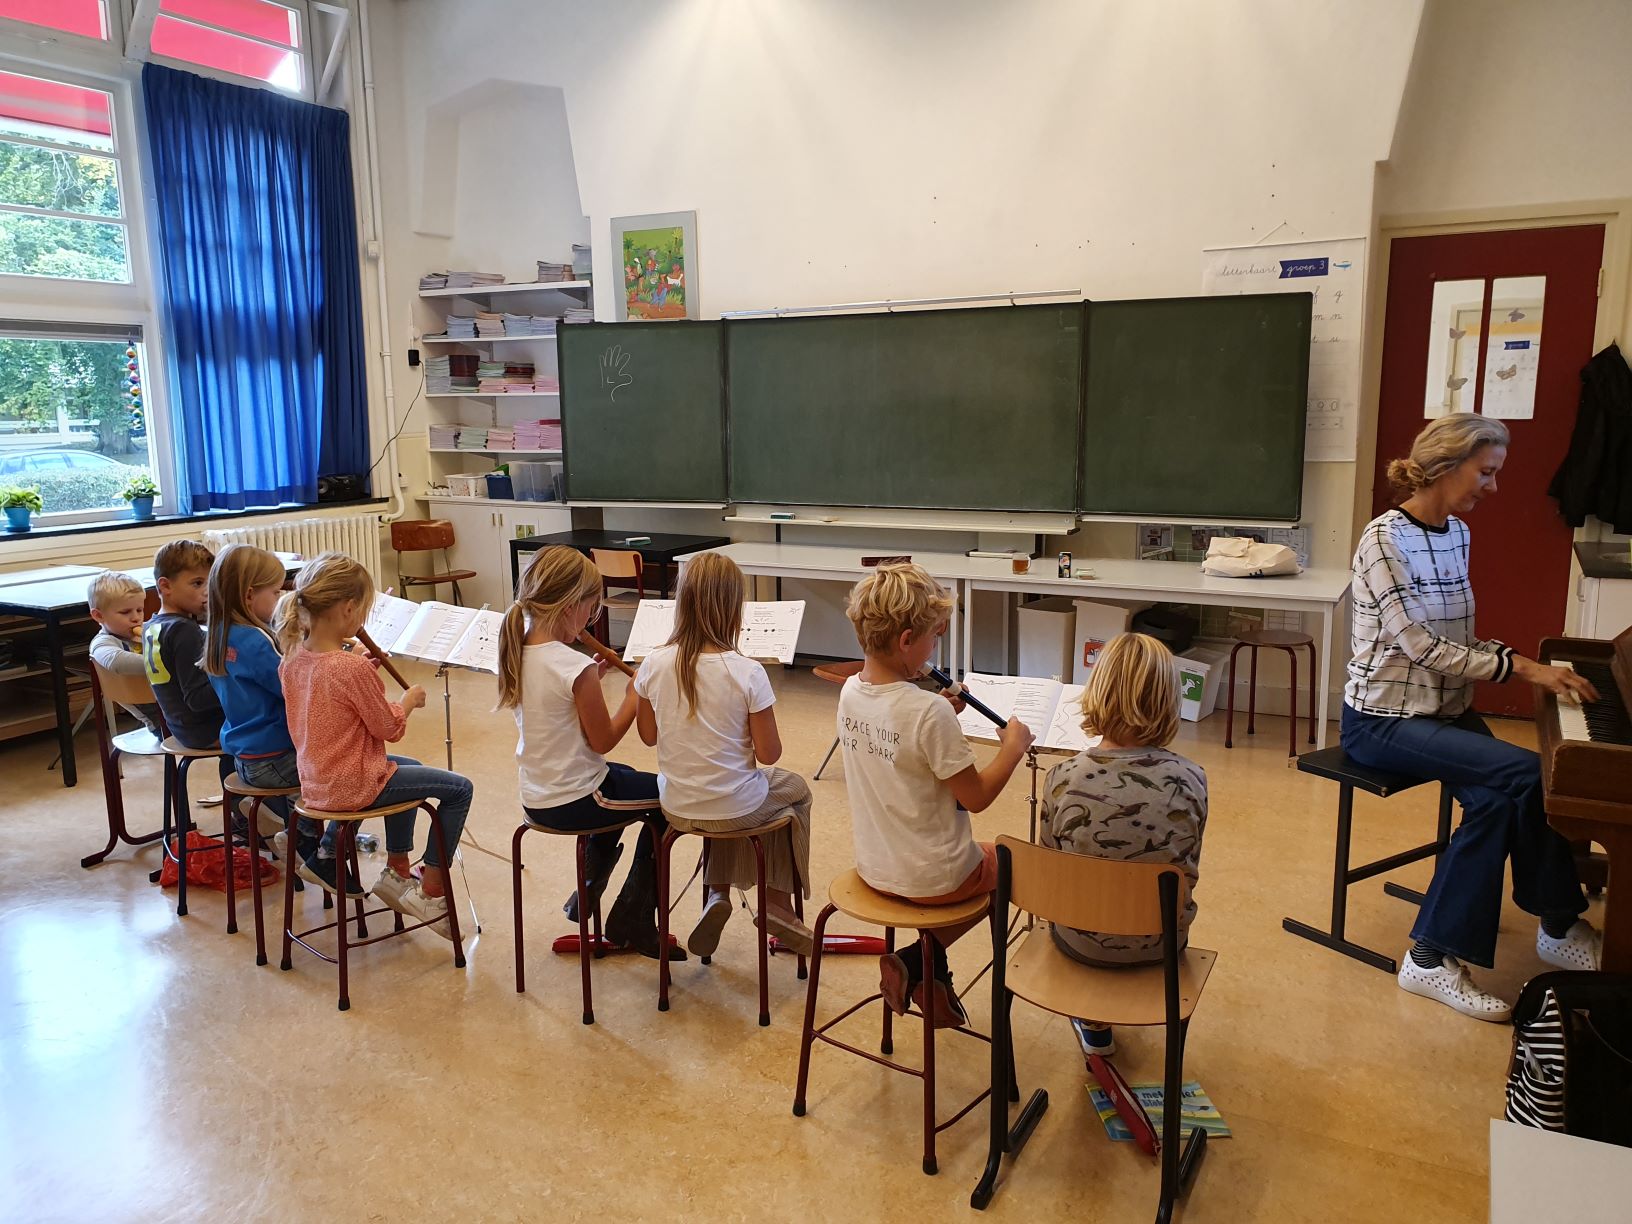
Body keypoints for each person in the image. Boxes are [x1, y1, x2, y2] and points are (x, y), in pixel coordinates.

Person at [1342, 412, 1601, 1021]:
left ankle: (1432, 958)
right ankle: (1555, 921)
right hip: (1384, 720)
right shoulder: (1382, 541)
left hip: (1445, 710)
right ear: (1445, 466)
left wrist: (1521, 661)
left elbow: (1457, 638)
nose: (1493, 486)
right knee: (1527, 775)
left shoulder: (1456, 532)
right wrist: (1525, 669)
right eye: (1485, 472)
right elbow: (1419, 646)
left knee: (1497, 802)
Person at [838, 562, 1034, 1025]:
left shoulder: (850, 692)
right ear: (907, 640)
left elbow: (903, 744)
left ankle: (928, 973)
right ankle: (921, 958)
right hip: (932, 878)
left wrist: (940, 711)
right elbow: (977, 796)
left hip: (874, 867)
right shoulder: (928, 713)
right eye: (933, 639)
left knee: (988, 859)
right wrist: (1012, 748)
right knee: (1013, 861)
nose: (934, 650)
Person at [496, 545, 681, 961]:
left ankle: (588, 891)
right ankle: (633, 917)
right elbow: (603, 741)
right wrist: (634, 695)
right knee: (673, 799)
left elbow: (557, 719)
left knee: (623, 775)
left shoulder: (517, 650)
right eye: (591, 607)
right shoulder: (571, 666)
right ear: (570, 607)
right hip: (576, 800)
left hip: (537, 795)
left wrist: (590, 683)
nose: (591, 618)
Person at [278, 553, 472, 939]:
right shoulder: (348, 668)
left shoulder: (293, 657)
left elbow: (337, 703)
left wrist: (363, 670)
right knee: (460, 789)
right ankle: (431, 891)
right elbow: (388, 727)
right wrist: (408, 702)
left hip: (318, 780)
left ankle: (392, 870)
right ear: (348, 609)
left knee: (411, 767)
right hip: (354, 782)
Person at [634, 552, 815, 957]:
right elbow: (770, 753)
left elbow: (647, 736)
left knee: (729, 790)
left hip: (676, 807)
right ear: (735, 608)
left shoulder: (654, 663)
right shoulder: (747, 671)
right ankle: (778, 904)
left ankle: (717, 894)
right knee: (791, 792)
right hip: (732, 805)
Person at [1039, 632, 1207, 1058]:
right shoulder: (1192, 779)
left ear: (1096, 692)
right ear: (1169, 700)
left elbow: (1049, 871)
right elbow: (1185, 862)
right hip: (1162, 944)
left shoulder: (1062, 778)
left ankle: (1094, 1024)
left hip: (1080, 942)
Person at [201, 544, 349, 893]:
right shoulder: (254, 640)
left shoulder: (218, 633)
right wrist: (339, 659)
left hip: (246, 756)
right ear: (249, 596)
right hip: (275, 757)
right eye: (275, 591)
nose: (282, 597)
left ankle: (295, 827)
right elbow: (295, 687)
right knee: (351, 775)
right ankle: (313, 844)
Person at [142, 539, 228, 793]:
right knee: (271, 727)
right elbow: (198, 699)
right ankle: (244, 801)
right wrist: (231, 675)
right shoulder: (184, 630)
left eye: (209, 583)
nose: (207, 592)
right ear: (165, 586)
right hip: (206, 729)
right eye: (197, 583)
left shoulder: (152, 625)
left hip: (180, 728)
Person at [86, 570, 161, 735]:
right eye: (125, 612)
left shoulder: (147, 630)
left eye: (139, 610)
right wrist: (164, 660)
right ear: (98, 615)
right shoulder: (103, 643)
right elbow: (116, 662)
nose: (136, 618)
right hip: (161, 722)